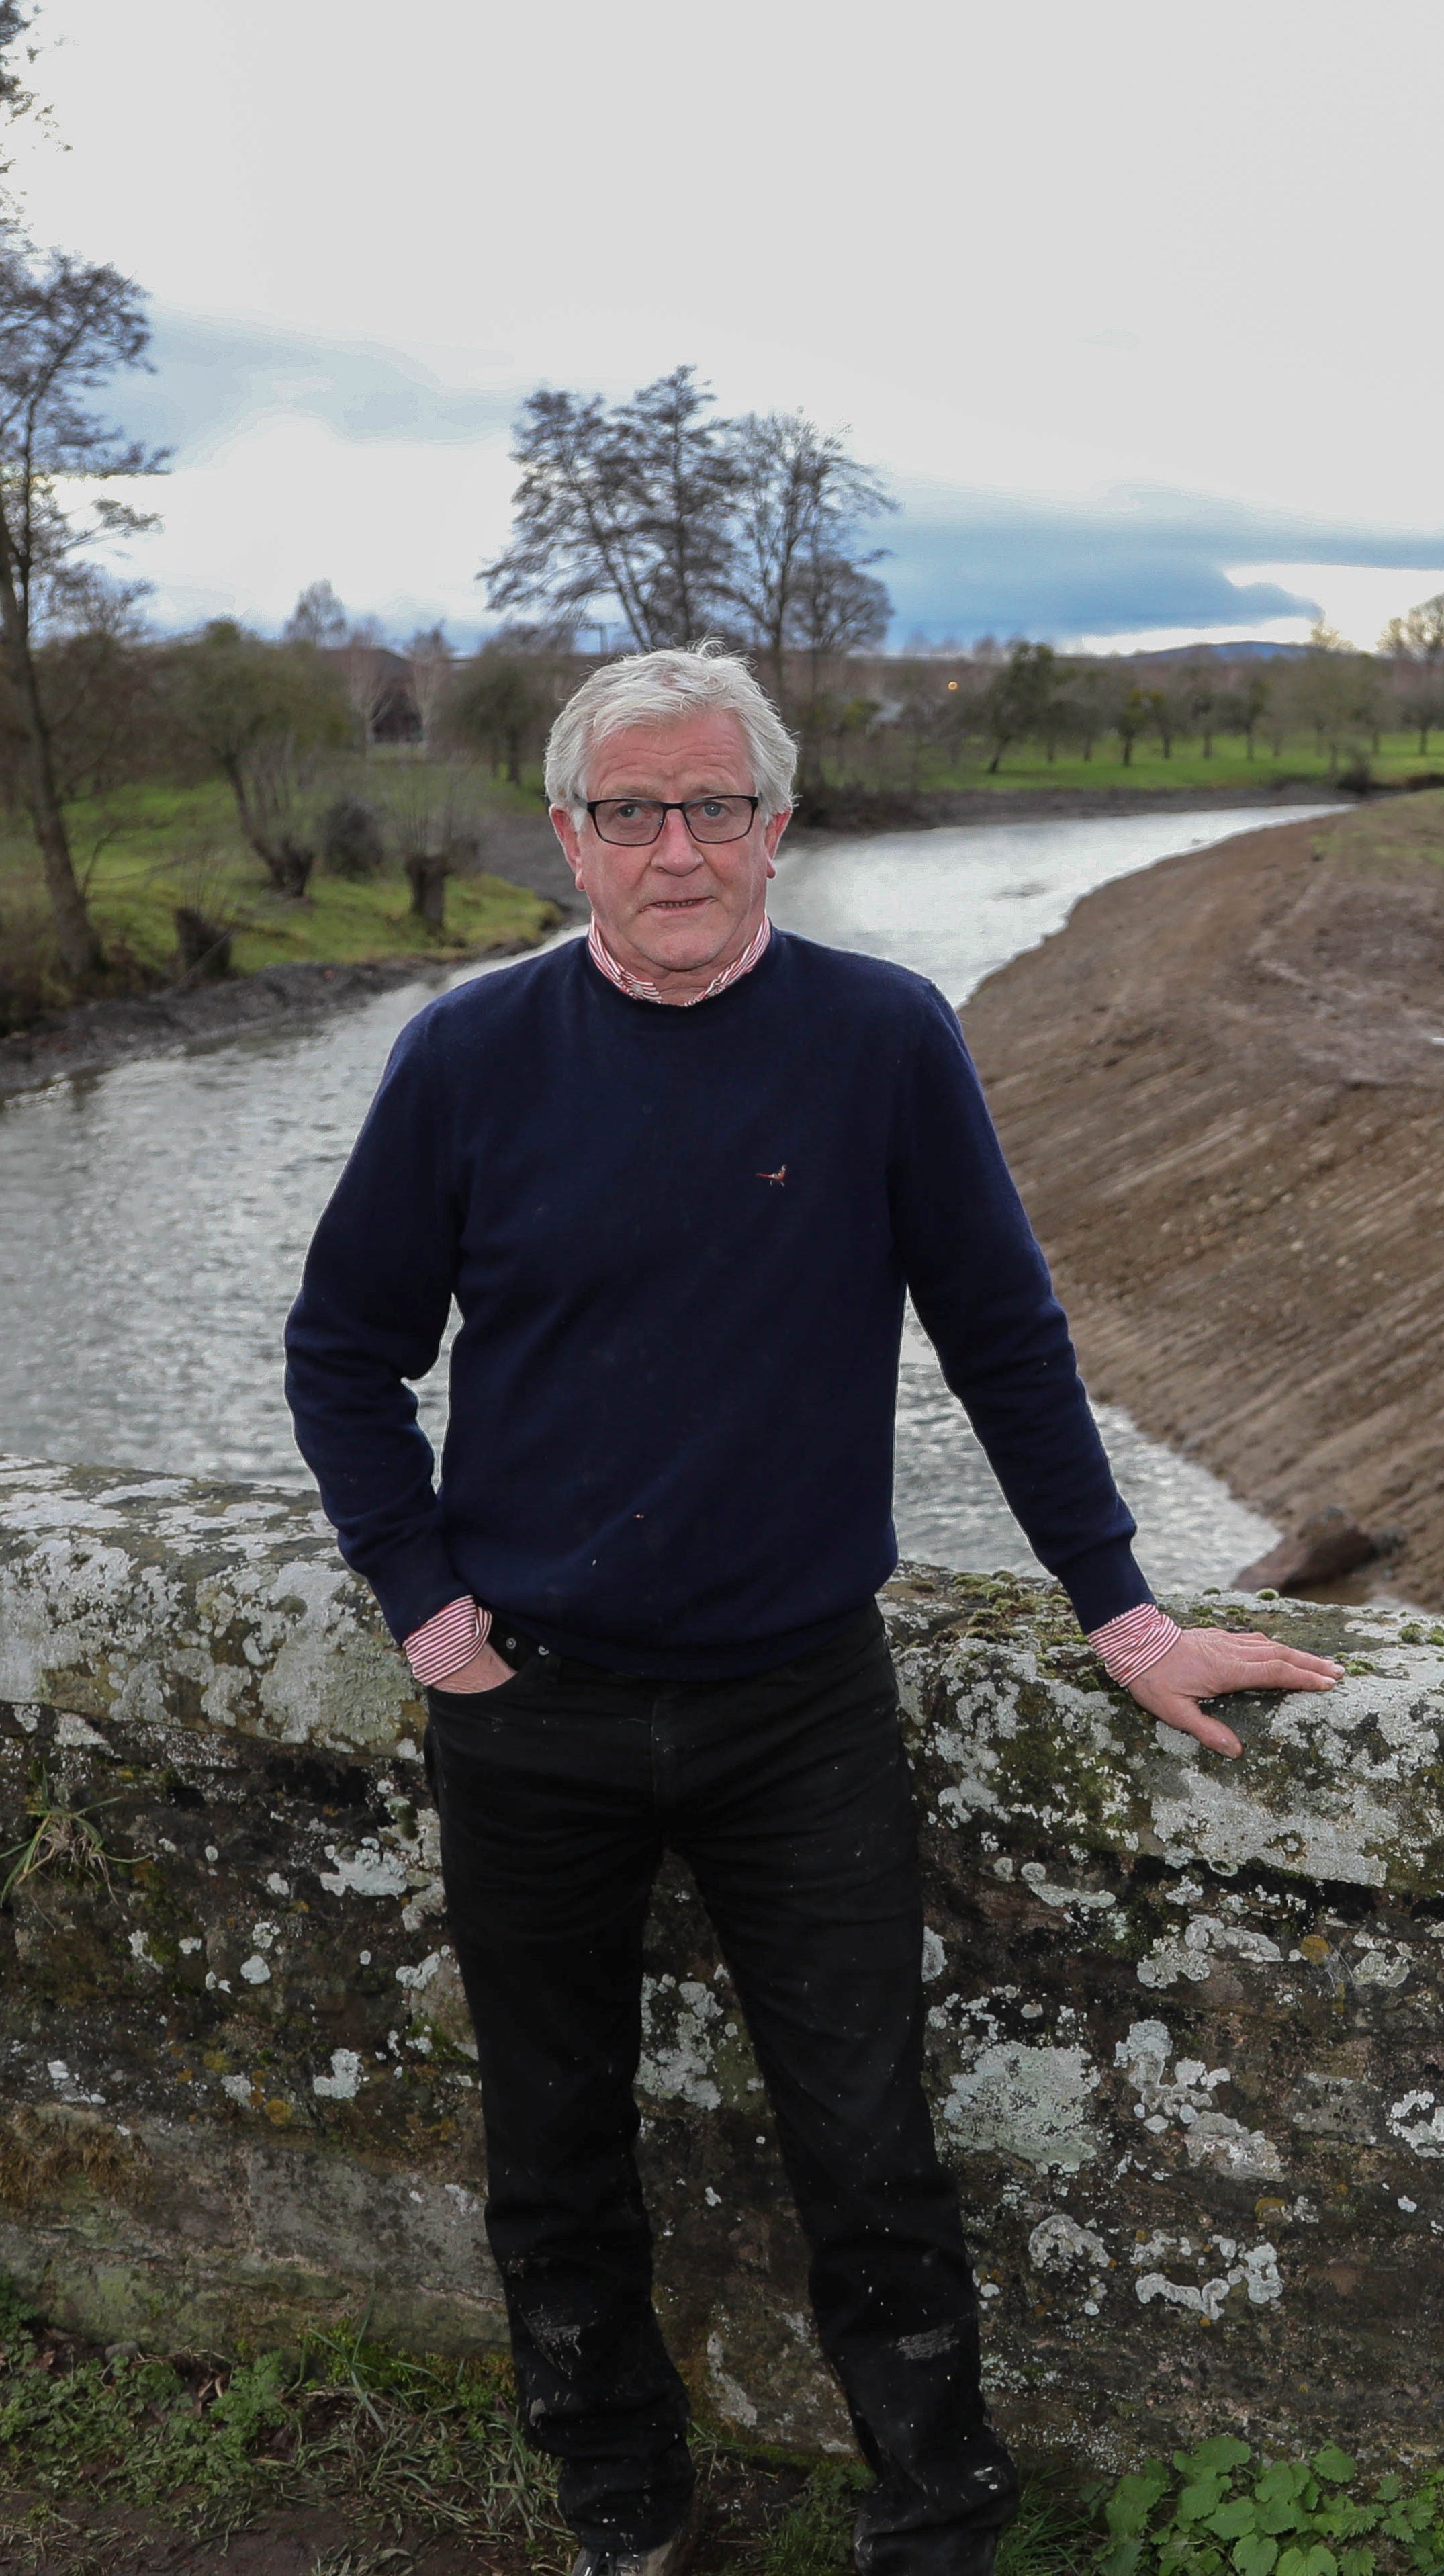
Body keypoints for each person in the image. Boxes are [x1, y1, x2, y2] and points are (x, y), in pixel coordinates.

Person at [284, 646, 1339, 2576]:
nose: (675, 848)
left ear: (777, 829)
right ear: (569, 837)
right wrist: (431, 1615)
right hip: (532, 1713)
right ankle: (625, 2511)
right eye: (632, 811)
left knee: (868, 2149)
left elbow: (1008, 1341)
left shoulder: (881, 1039)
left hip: (798, 1704)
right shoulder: (466, 1055)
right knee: (554, 2153)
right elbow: (345, 1353)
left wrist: (1125, 1616)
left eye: (715, 809)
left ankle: (932, 2525)